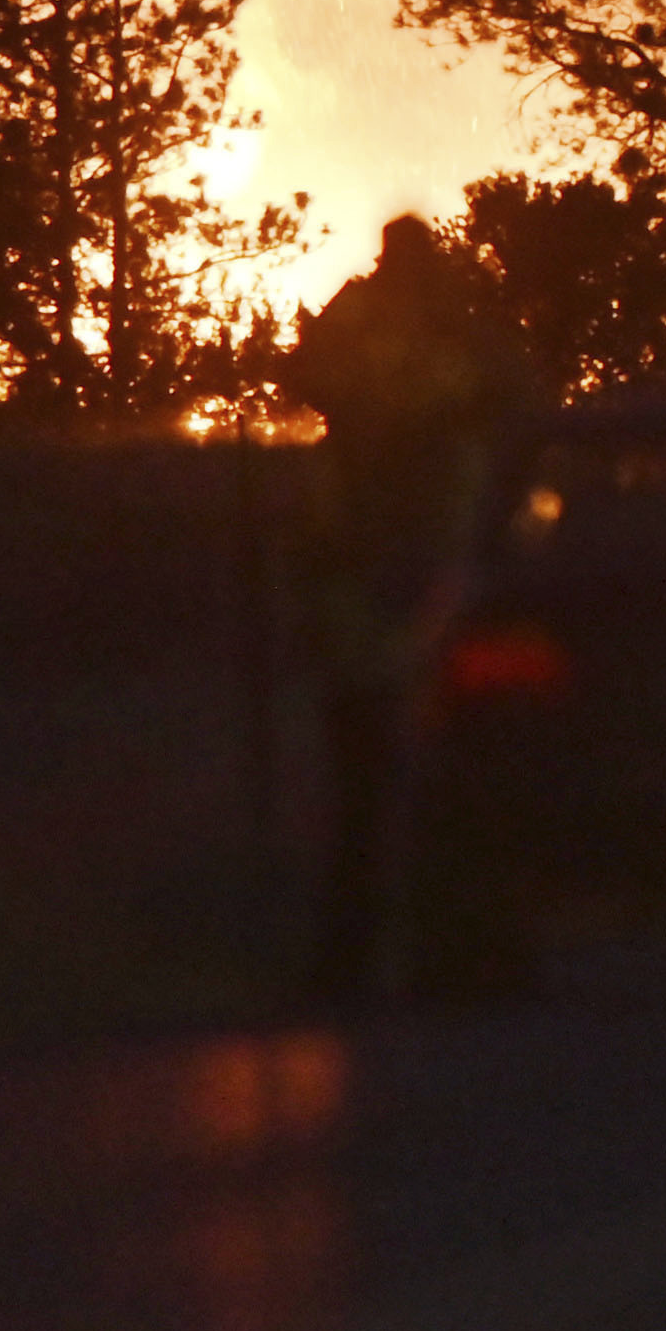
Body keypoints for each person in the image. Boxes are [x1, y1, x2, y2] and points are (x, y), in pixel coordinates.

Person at [287, 215, 547, 998]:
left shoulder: (412, 334)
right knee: (410, 792)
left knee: (401, 793)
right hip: (399, 588)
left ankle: (393, 958)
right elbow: (525, 404)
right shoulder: (440, 336)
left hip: (420, 587)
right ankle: (420, 957)